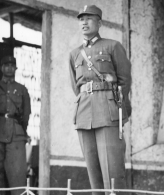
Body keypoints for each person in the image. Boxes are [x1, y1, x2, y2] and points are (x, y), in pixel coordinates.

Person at [68, 5, 131, 195]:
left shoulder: (113, 46)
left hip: (107, 111)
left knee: (113, 171)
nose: (84, 22)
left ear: (99, 22)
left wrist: (118, 109)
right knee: (93, 172)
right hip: (84, 113)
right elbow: (75, 86)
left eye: (89, 18)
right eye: (81, 19)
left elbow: (125, 81)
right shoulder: (74, 54)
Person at [0, 56, 31, 195]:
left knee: (17, 173)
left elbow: (26, 114)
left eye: (12, 65)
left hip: (16, 134)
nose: (9, 68)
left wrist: (20, 129)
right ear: (1, 68)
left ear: (16, 68)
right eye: (6, 65)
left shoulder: (22, 90)